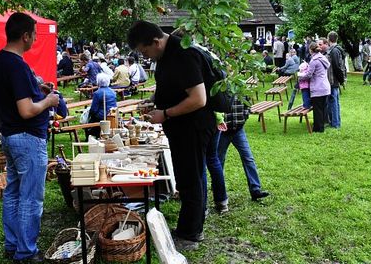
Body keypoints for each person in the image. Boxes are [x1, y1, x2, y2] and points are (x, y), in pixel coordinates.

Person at [127, 20, 215, 251]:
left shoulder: (183, 54)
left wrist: (165, 113)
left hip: (193, 127)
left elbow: (198, 99)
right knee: (188, 178)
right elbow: (172, 86)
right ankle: (190, 226)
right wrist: (153, 101)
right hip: (181, 127)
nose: (145, 56)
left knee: (190, 179)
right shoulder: (166, 56)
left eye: (145, 51)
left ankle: (190, 234)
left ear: (156, 41)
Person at [0, 12, 59, 262]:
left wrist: (36, 91)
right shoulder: (17, 64)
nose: (36, 39)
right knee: (30, 197)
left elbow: (16, 96)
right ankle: (26, 252)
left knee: (14, 193)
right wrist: (49, 100)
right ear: (25, 35)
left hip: (10, 135)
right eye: (35, 35)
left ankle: (12, 245)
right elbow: (26, 110)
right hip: (27, 137)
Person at [217, 97, 270, 201]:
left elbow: (248, 105)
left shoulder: (240, 86)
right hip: (223, 131)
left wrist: (244, 118)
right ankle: (220, 194)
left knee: (248, 158)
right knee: (219, 161)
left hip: (238, 131)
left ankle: (255, 190)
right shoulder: (220, 87)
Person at [299, 42, 330, 132]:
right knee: (322, 108)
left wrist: (300, 77)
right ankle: (321, 126)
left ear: (310, 50)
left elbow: (309, 75)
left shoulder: (314, 61)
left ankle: (318, 128)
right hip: (325, 87)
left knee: (317, 109)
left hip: (318, 87)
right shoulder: (323, 57)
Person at [85, 73, 117, 139]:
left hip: (102, 116)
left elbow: (94, 109)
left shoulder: (97, 93)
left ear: (98, 82)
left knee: (88, 120)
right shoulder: (112, 92)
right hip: (112, 114)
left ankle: (91, 135)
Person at [325, 32, 346, 128]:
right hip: (334, 80)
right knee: (334, 102)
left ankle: (335, 123)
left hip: (333, 80)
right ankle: (335, 122)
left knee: (333, 102)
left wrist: (341, 80)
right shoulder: (336, 50)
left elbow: (337, 67)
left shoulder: (334, 51)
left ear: (329, 39)